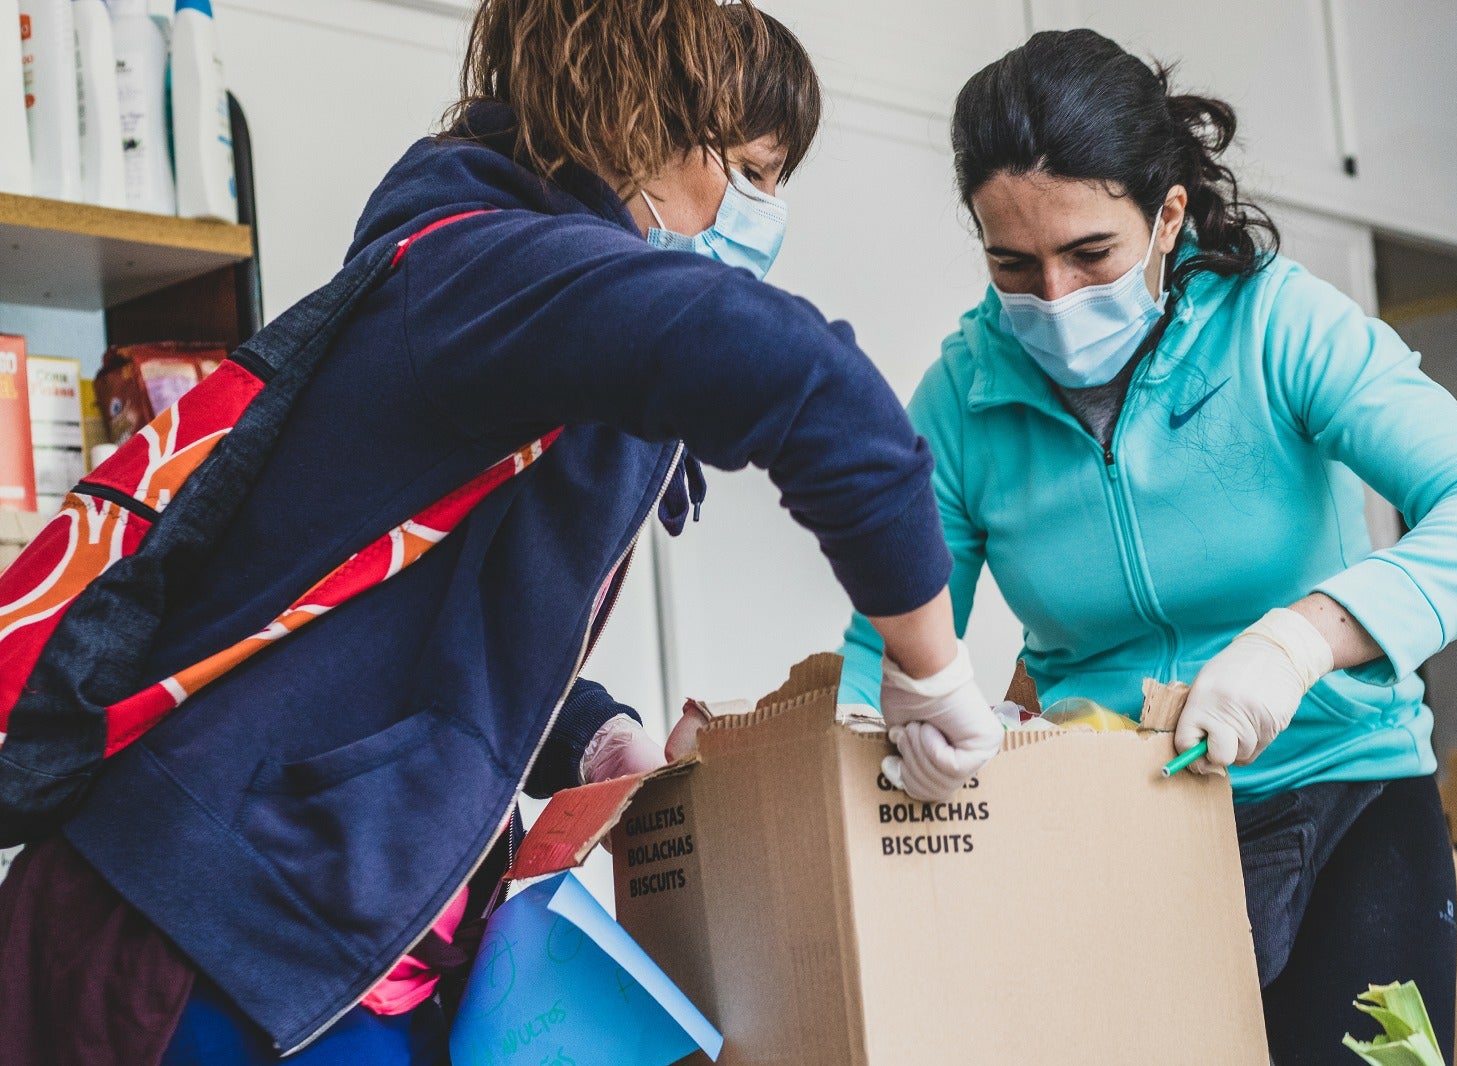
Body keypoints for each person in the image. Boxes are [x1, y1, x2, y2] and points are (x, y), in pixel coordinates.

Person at [0, 3, 1000, 1062]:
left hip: (320, 933)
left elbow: (426, 630)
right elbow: (811, 385)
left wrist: (594, 737)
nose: (763, 211)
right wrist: (931, 669)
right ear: (636, 130)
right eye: (748, 171)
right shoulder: (489, 275)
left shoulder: (499, 299)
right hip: (204, 930)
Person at [840, 28, 1457, 1064]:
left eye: (1089, 254)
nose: (1051, 299)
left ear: (1167, 215)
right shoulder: (962, 395)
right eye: (1013, 263)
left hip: (1343, 795)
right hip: (1110, 832)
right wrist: (891, 717)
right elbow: (891, 643)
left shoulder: (1280, 326)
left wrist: (1306, 639)